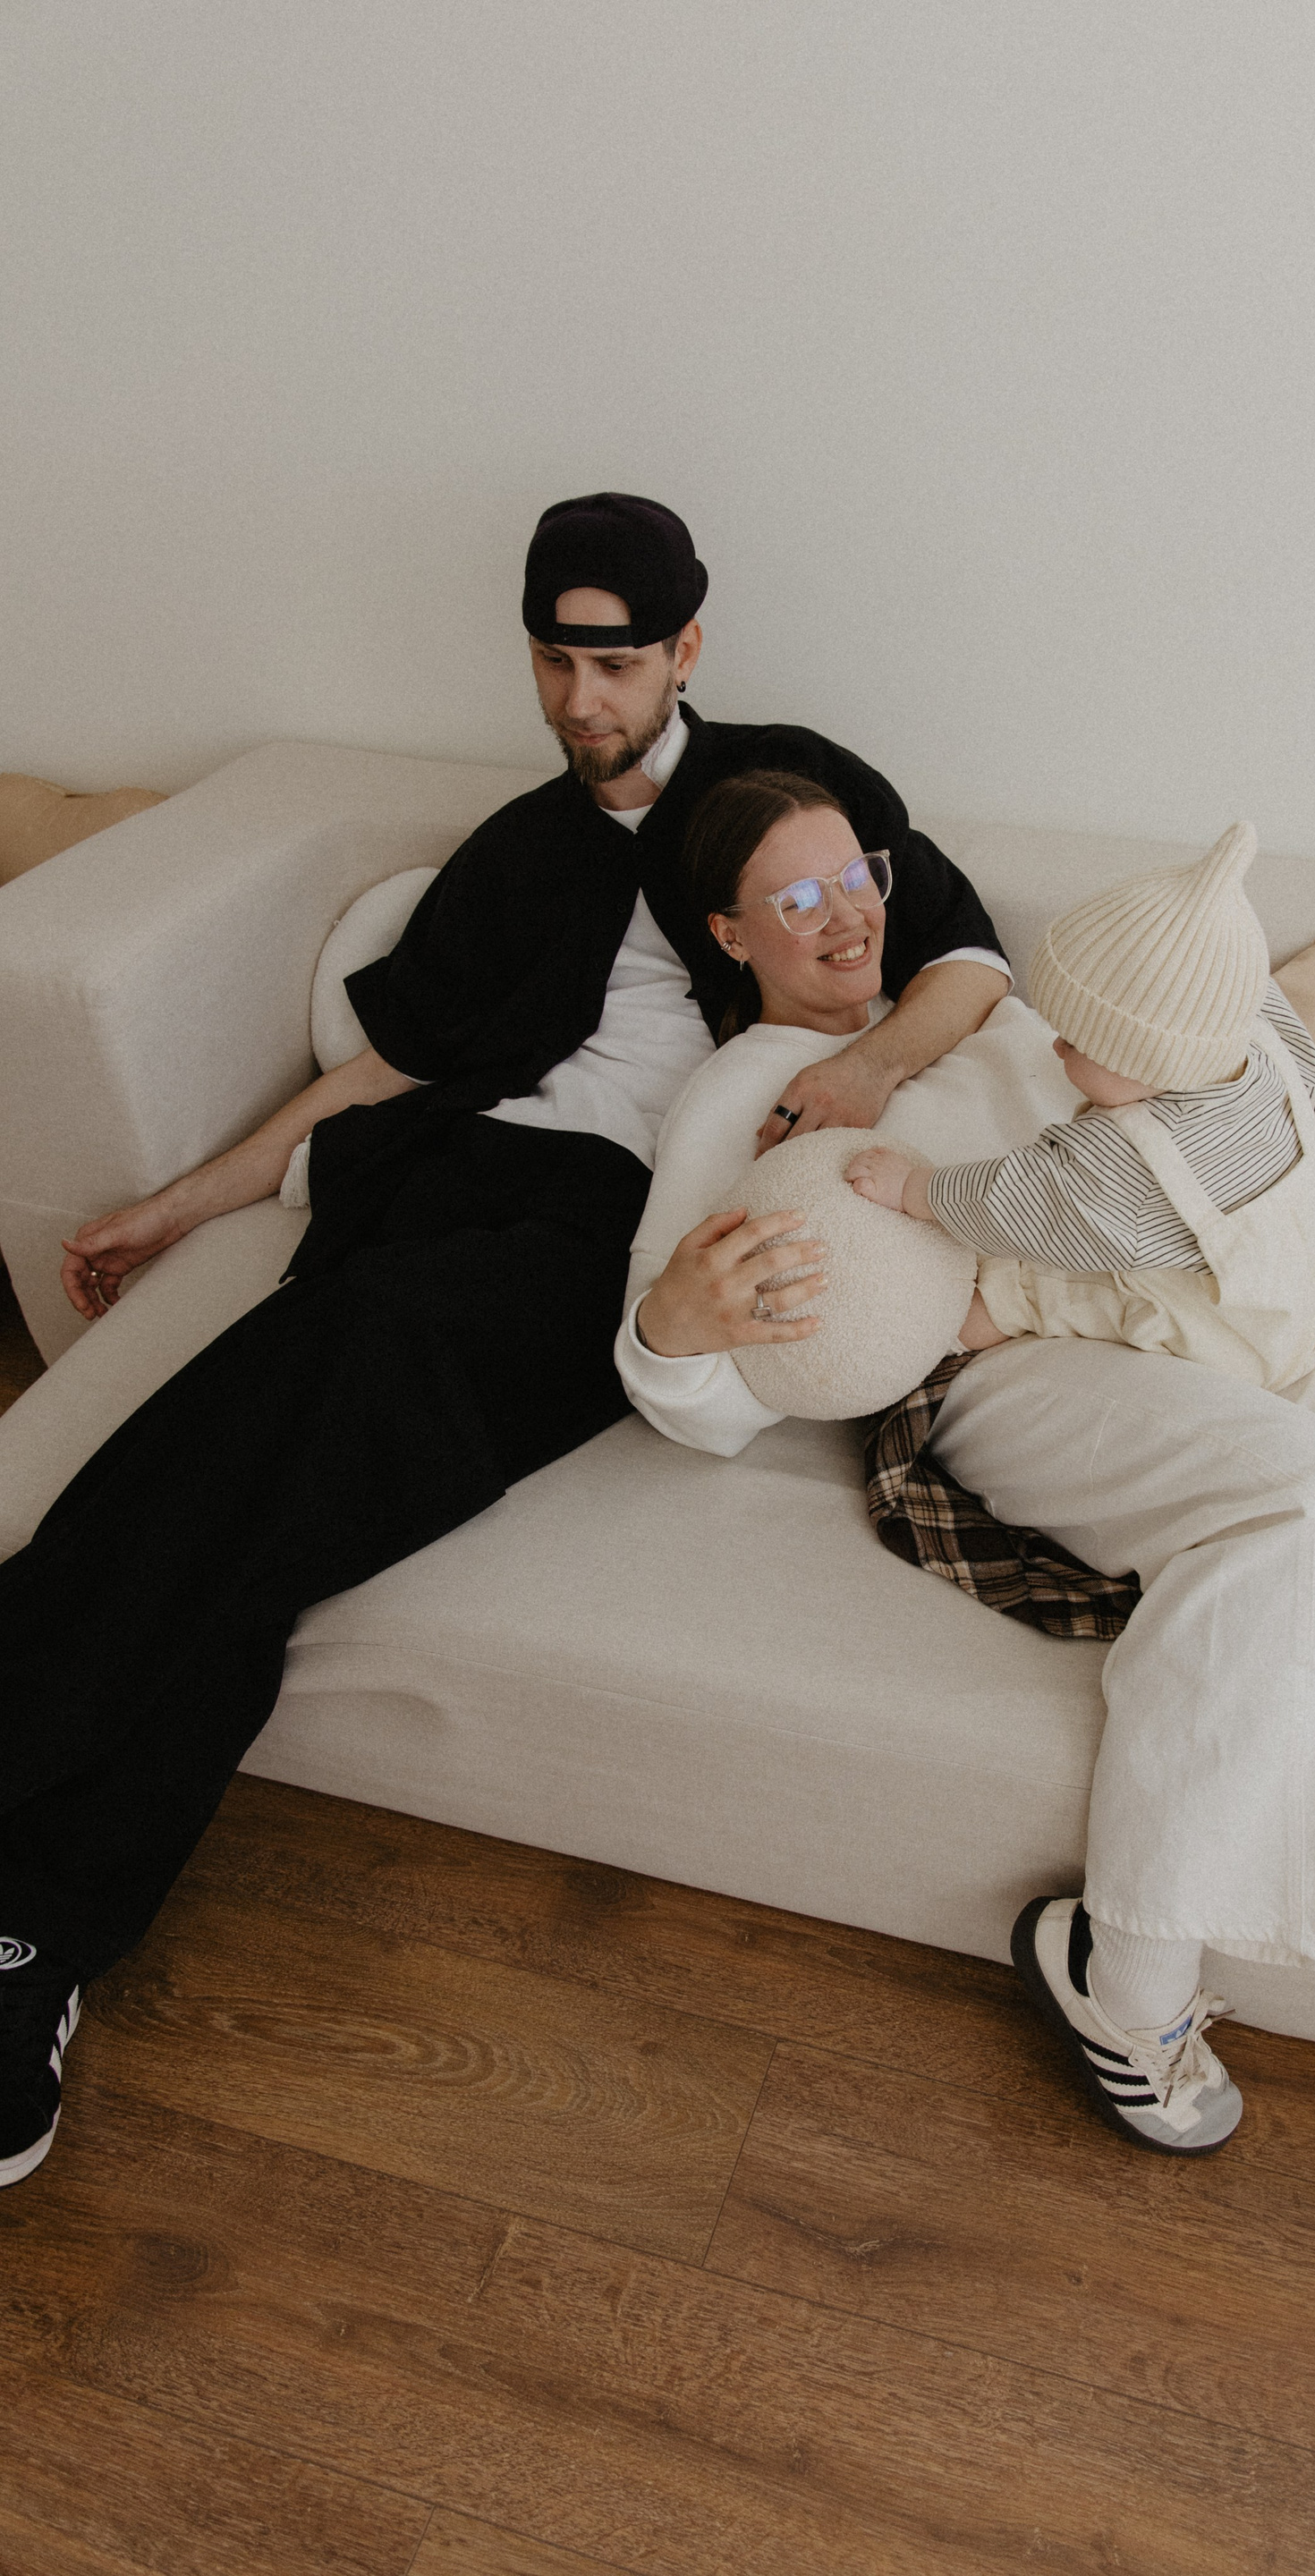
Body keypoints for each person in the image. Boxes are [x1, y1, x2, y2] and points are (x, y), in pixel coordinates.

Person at [0, 492, 1011, 2190]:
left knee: (326, 1384)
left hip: (605, 1229)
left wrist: (866, 1068)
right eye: (554, 660)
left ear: (686, 649)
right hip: (442, 1182)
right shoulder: (521, 848)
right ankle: (26, 1951)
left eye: (615, 662)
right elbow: (381, 1068)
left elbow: (967, 958)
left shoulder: (789, 802)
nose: (581, 698)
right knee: (258, 1524)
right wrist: (177, 1207)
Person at [621, 767, 1315, 2158]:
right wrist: (671, 1331)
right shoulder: (741, 1095)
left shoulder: (979, 1002)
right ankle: (1124, 1973)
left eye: (858, 878)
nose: (846, 917)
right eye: (797, 898)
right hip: (1002, 1360)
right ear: (729, 933)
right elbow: (691, 1379)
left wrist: (895, 1055)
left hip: (1199, 1299)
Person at [847, 821, 1315, 1393]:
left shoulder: (1132, 1161)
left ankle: (909, 1365)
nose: (1055, 1046)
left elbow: (1018, 1201)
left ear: (1145, 1061)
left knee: (1030, 1283)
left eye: (1075, 1041)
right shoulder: (1267, 1039)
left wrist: (914, 1187)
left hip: (1232, 1337)